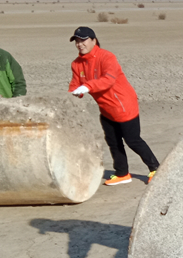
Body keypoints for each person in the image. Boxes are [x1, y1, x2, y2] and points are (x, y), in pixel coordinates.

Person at [67, 26, 160, 186]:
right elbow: (76, 84)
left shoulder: (106, 57)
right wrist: (70, 96)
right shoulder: (77, 64)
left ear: (93, 40)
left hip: (123, 105)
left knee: (133, 140)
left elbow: (108, 79)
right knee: (113, 141)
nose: (79, 44)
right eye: (77, 41)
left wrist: (88, 86)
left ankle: (156, 169)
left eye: (83, 40)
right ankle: (122, 173)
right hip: (106, 108)